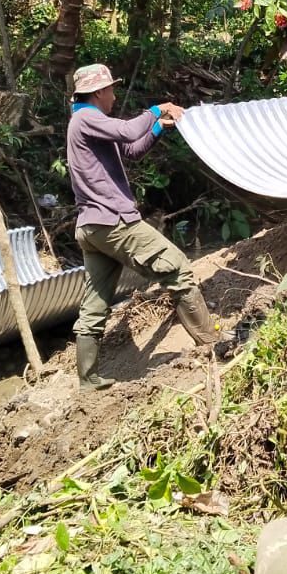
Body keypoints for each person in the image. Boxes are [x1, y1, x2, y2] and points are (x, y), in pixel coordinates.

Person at [65, 63, 219, 389]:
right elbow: (127, 131)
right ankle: (211, 344)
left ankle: (88, 380)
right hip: (114, 221)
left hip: (93, 227)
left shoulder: (91, 124)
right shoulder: (87, 118)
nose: (114, 96)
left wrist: (160, 127)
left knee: (94, 303)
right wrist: (157, 108)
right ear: (97, 93)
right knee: (177, 267)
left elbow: (132, 149)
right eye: (110, 90)